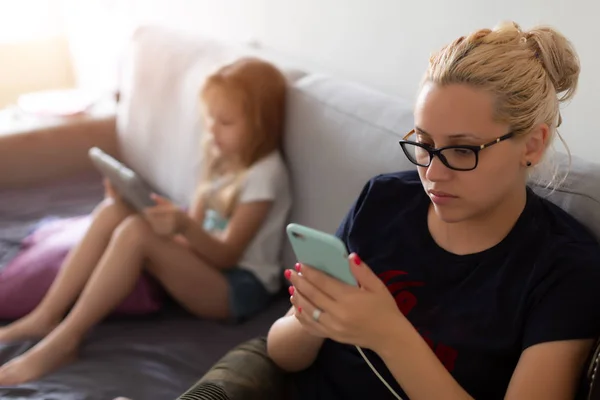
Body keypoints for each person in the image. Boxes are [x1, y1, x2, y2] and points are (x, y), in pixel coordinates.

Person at [267, 21, 600, 399]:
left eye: (462, 150)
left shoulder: (566, 270)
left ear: (532, 144)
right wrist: (315, 316)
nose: (432, 173)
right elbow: (281, 354)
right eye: (423, 143)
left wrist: (389, 335)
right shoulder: (383, 201)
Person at [0, 57, 292, 385]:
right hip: (207, 265)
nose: (212, 130)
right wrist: (158, 216)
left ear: (261, 124)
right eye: (210, 119)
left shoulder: (265, 175)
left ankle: (66, 338)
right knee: (114, 211)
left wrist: (180, 228)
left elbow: (226, 256)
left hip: (238, 287)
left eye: (225, 122)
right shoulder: (219, 155)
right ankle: (45, 315)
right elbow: (194, 226)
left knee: (136, 232)